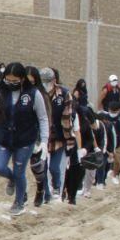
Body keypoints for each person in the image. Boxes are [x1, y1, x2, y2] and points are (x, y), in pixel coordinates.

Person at [0, 63, 48, 215]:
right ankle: (12, 180)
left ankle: (19, 201)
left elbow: (42, 118)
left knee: (19, 171)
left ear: (22, 79)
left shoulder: (33, 94)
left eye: (14, 81)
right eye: (8, 80)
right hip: (3, 137)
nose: (10, 83)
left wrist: (44, 141)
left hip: (25, 139)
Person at [43, 67, 73, 203]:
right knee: (41, 167)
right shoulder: (37, 93)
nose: (45, 84)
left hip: (58, 137)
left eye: (47, 81)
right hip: (42, 136)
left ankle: (56, 187)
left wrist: (69, 140)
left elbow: (67, 118)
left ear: (54, 80)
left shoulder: (64, 94)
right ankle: (44, 193)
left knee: (54, 167)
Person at [25, 66, 51, 207]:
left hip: (37, 136)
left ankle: (42, 190)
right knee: (19, 165)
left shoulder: (41, 95)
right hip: (21, 134)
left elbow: (46, 118)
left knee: (37, 166)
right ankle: (21, 195)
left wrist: (43, 140)